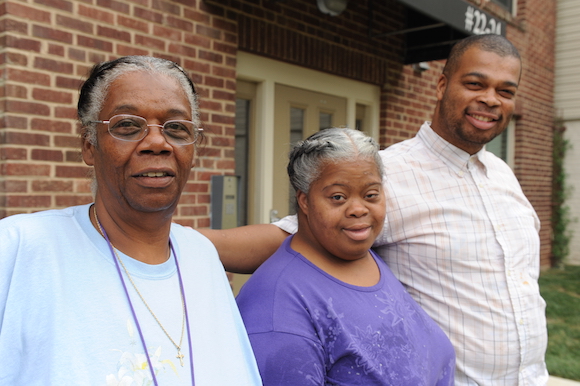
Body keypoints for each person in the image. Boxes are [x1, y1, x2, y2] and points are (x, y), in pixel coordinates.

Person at [207, 34, 549, 385]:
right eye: (475, 84)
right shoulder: (385, 175)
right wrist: (172, 242)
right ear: (442, 84)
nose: (490, 99)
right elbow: (293, 236)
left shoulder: (503, 175)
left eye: (505, 92)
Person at [0, 56, 261, 385]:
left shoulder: (201, 256)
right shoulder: (18, 249)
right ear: (89, 146)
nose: (156, 143)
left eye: (177, 128)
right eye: (127, 125)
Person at [236, 128, 455, 385]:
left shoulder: (365, 257)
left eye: (371, 195)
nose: (358, 209)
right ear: (304, 201)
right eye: (338, 197)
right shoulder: (277, 308)